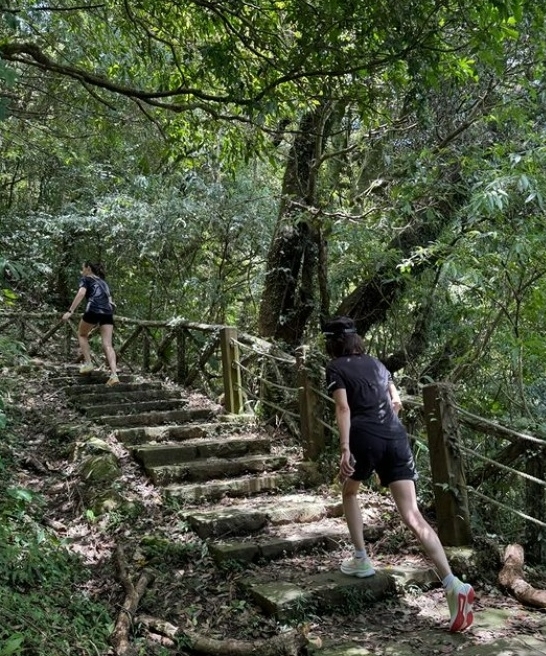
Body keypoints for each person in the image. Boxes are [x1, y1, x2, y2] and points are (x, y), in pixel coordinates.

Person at [323, 316, 474, 632]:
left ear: (333, 344)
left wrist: (346, 448)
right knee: (413, 515)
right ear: (357, 340)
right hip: (395, 436)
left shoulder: (336, 368)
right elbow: (396, 402)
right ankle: (452, 583)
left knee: (350, 492)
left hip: (363, 436)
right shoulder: (378, 365)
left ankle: (361, 559)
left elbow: (344, 409)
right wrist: (384, 432)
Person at [62, 261, 119, 386]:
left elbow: (81, 293)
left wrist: (70, 311)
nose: (82, 270)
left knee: (82, 334)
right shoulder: (104, 283)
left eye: (82, 268)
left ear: (88, 268)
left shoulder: (86, 279)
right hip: (108, 312)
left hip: (93, 309)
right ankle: (114, 375)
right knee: (108, 344)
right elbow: (110, 301)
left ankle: (88, 364)